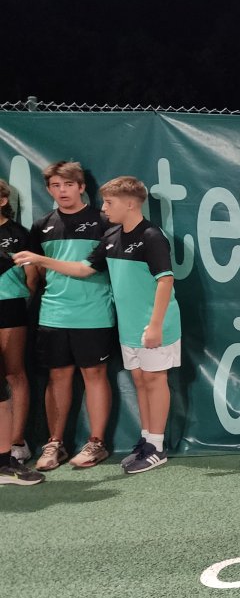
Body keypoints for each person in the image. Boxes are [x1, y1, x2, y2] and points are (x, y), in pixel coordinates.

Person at [16, 176, 182, 474]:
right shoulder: (111, 237)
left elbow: (165, 280)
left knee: (155, 381)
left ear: (130, 203)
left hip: (156, 326)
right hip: (129, 327)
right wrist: (41, 259)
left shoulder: (152, 236)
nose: (104, 209)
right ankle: (146, 441)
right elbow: (83, 268)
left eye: (109, 203)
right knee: (141, 381)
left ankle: (157, 447)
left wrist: (155, 325)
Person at [25, 161, 116, 471]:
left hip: (94, 314)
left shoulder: (104, 222)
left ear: (81, 188)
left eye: (67, 185)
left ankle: (97, 443)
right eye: (55, 186)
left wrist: (40, 260)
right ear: (49, 190)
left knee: (95, 377)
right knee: (57, 377)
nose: (61, 191)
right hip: (53, 314)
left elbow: (87, 270)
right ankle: (54, 444)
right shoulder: (42, 226)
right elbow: (34, 274)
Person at [0, 180, 35, 465]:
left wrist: (24, 301)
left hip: (11, 308)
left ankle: (17, 443)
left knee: (14, 373)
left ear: (3, 201)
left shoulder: (17, 234)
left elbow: (32, 278)